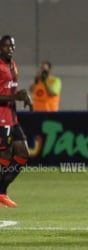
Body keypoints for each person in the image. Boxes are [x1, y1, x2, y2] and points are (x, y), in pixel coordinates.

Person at [0, 35, 33, 207]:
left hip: (12, 117)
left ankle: (2, 191)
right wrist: (16, 96)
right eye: (6, 46)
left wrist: (24, 95)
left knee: (23, 154)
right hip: (1, 118)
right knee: (4, 155)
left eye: (12, 46)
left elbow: (11, 89)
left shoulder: (12, 64)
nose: (10, 49)